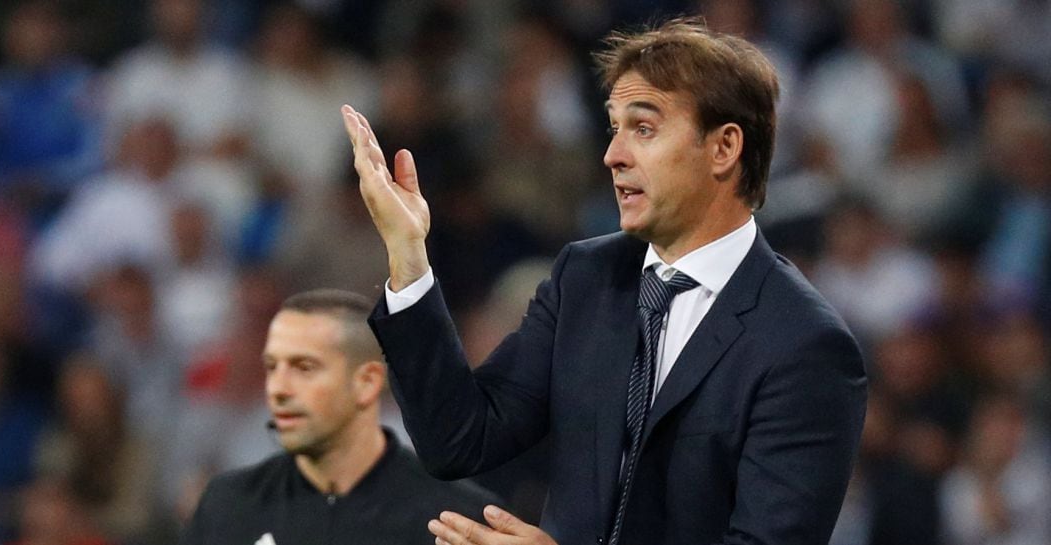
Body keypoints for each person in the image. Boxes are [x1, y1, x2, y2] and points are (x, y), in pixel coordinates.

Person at [343, 15, 868, 545]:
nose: (613, 155)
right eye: (614, 127)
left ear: (724, 148)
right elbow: (460, 439)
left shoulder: (804, 344)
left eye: (643, 128)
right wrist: (409, 255)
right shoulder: (586, 278)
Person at [179, 289, 497, 545]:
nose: (278, 389)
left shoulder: (455, 520)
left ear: (367, 383)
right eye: (272, 366)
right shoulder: (229, 505)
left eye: (305, 368)